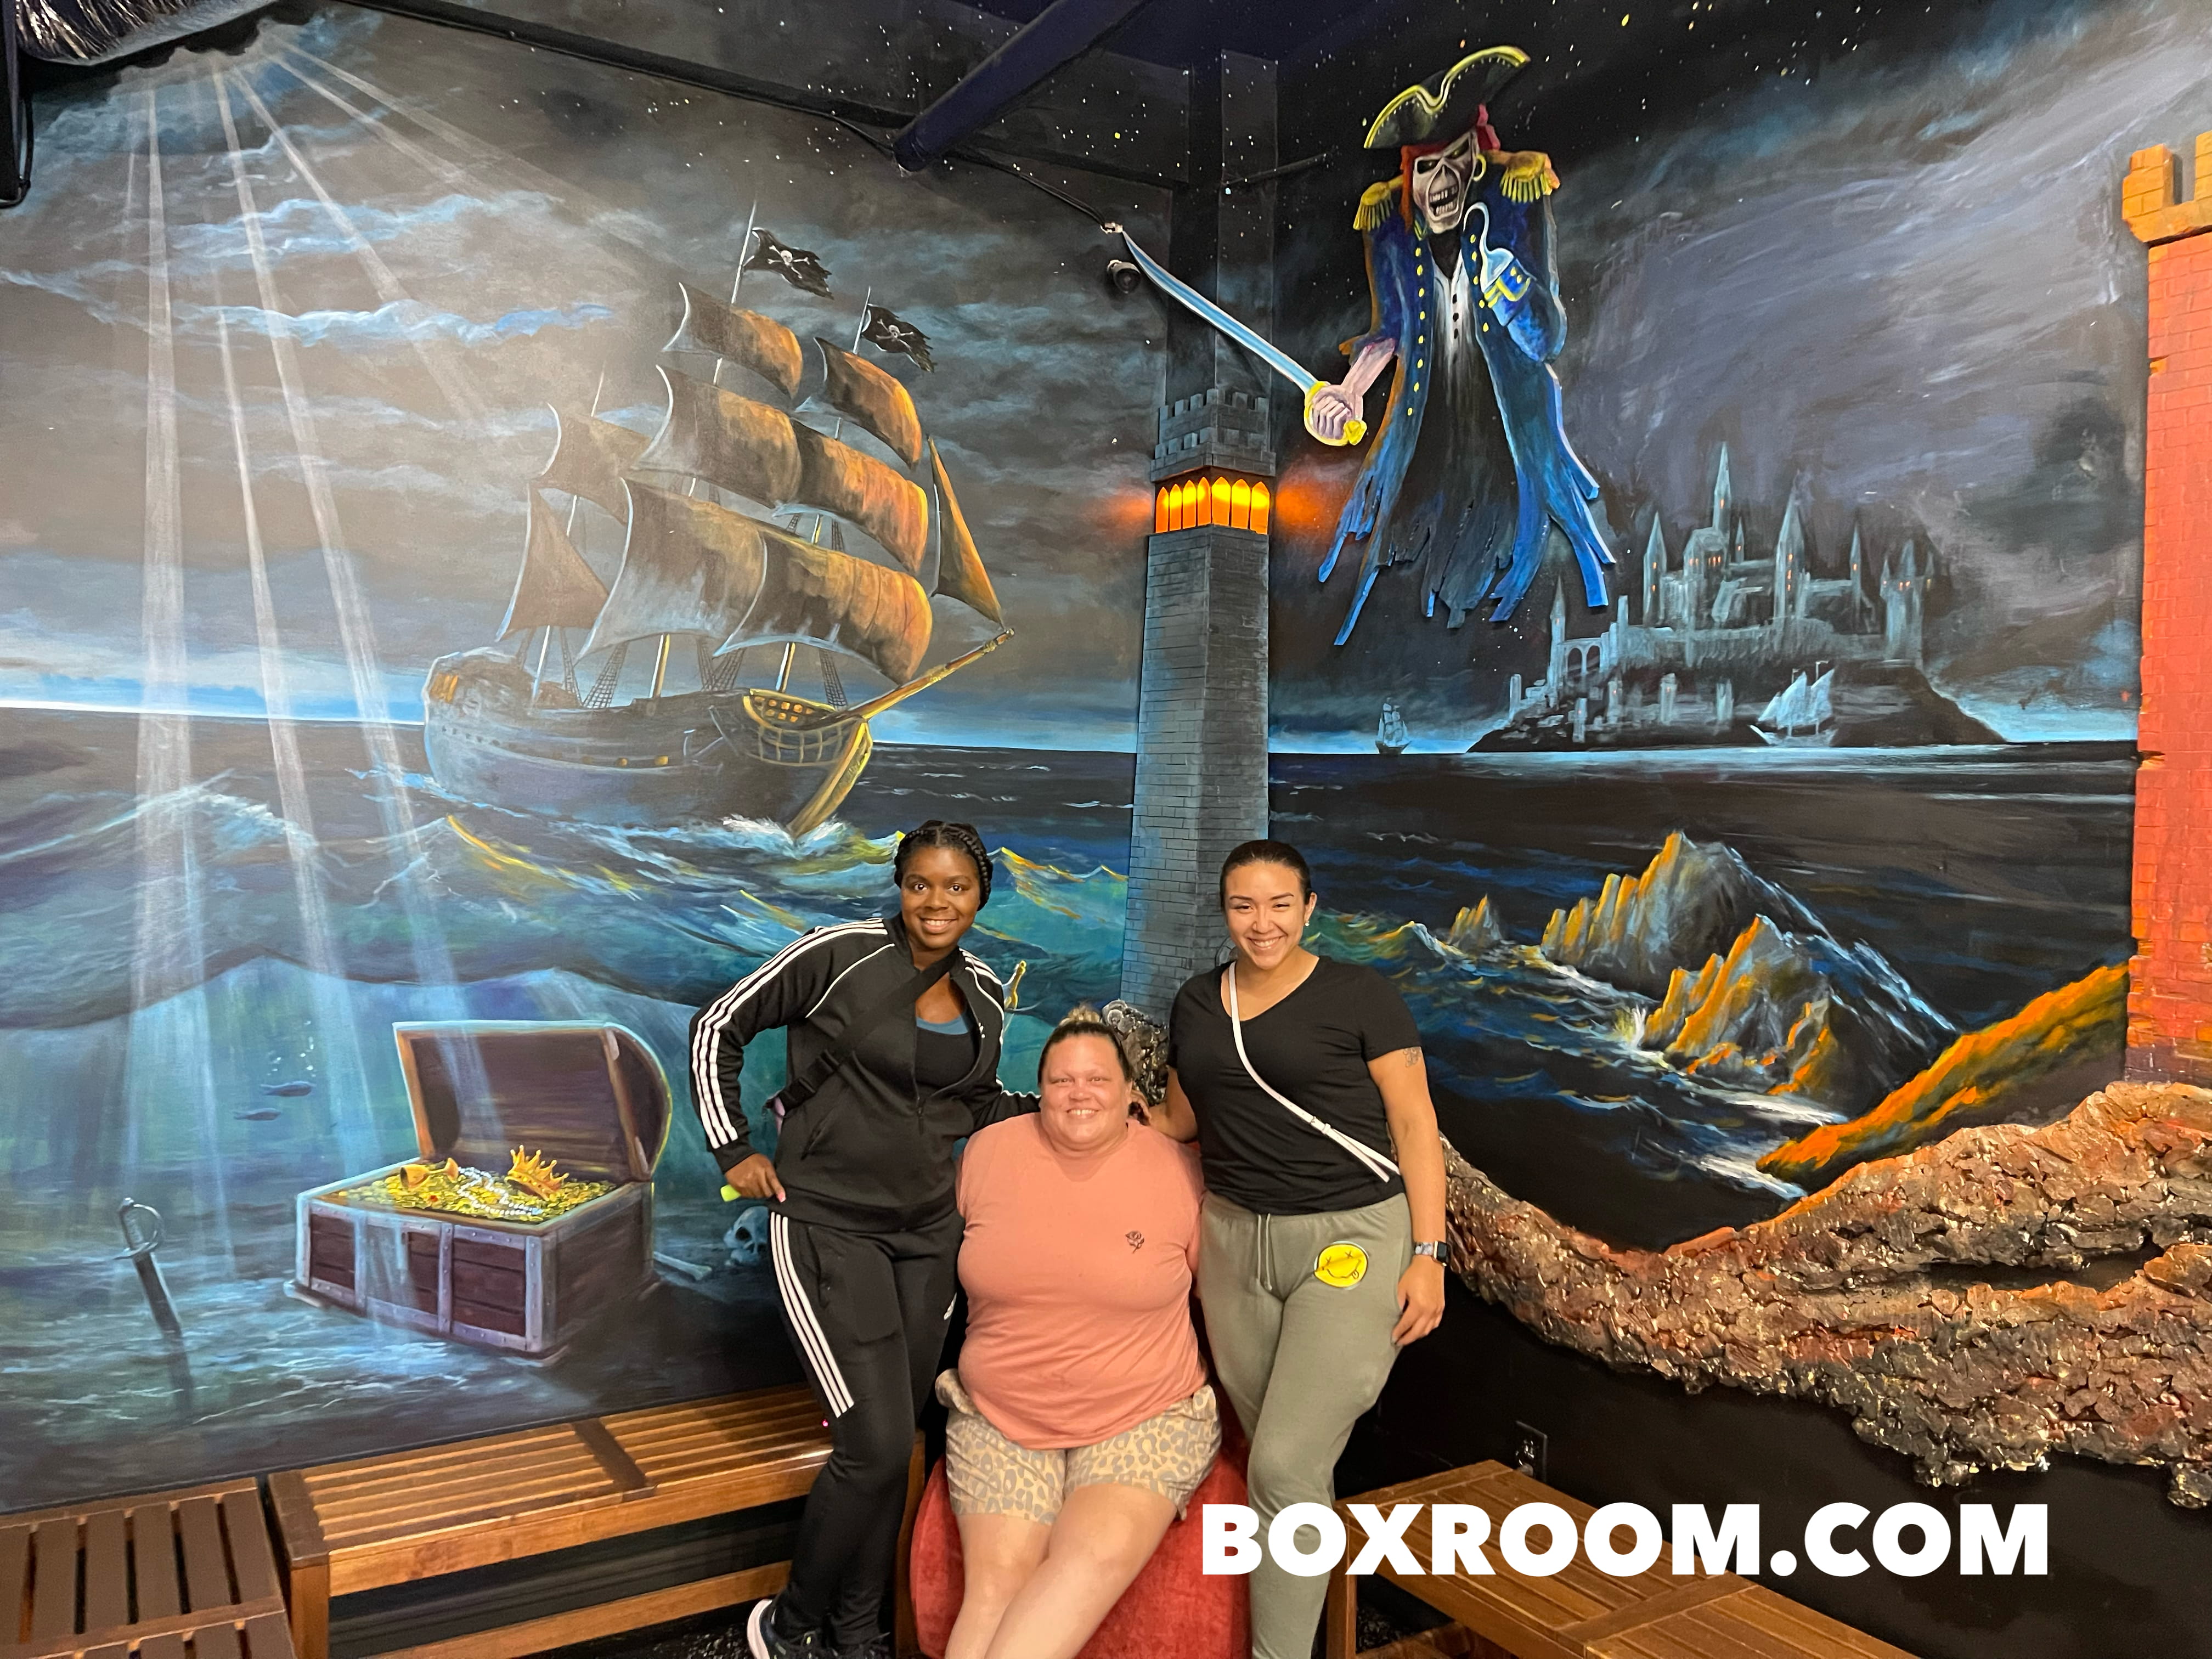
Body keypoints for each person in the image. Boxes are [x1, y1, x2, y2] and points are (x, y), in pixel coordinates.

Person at [690, 821, 1033, 1659]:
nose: (936, 903)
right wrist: (733, 1150)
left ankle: (855, 1632)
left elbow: (974, 1104)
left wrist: (1067, 1106)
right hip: (827, 1226)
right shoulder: (839, 953)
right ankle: (787, 1625)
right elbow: (718, 1025)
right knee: (873, 1447)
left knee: (896, 1444)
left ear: (981, 895)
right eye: (920, 884)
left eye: (956, 887)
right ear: (900, 887)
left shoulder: (986, 991)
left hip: (927, 1238)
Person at [1148, 839, 1448, 1659]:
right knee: (1289, 1469)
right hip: (1232, 1245)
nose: (1263, 923)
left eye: (1280, 904)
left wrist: (1430, 1253)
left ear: (1310, 908)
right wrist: (1083, 1116)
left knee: (1282, 1469)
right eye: (1243, 905)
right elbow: (1181, 1119)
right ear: (1224, 912)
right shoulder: (1197, 1003)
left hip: (1349, 1241)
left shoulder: (1362, 995)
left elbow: (1415, 1125)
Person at [937, 1008, 1216, 1659]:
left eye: (1097, 1079)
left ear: (1130, 1094)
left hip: (1144, 1413)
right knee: (996, 1587)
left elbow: (1219, 1296)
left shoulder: (1177, 1170)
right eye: (1062, 1081)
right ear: (1040, 1091)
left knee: (1087, 1559)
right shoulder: (987, 1154)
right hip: (1001, 1412)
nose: (1079, 1093)